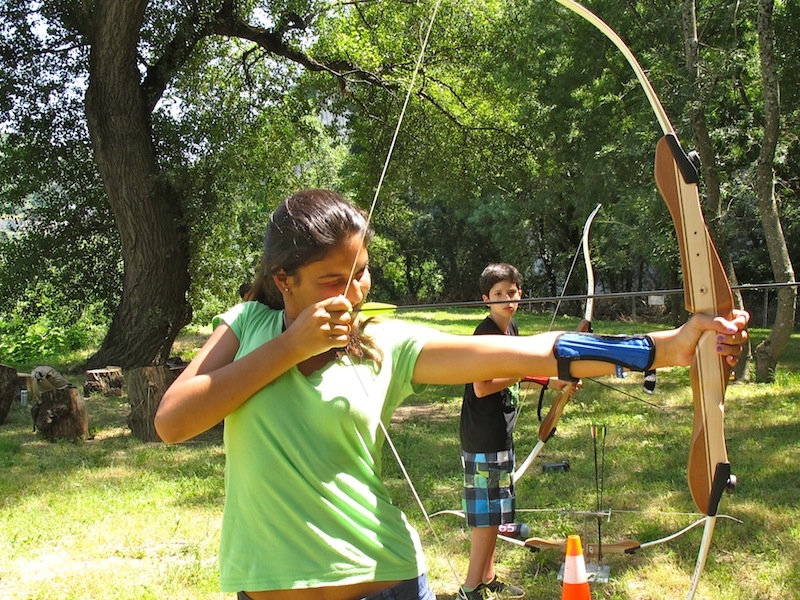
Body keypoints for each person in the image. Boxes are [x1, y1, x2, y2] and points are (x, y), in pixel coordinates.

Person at [154, 189, 749, 600]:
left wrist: (666, 347)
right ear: (284, 279)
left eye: (361, 272)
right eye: (333, 280)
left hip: (385, 580)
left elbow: (533, 353)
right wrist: (290, 347)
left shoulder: (384, 342)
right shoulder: (248, 327)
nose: (354, 293)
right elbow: (174, 421)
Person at [458, 263, 573, 600]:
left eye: (511, 292)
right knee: (486, 516)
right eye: (498, 294)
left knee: (495, 511)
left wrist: (551, 381)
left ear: (520, 293)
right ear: (486, 299)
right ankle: (469, 588)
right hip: (483, 436)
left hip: (499, 433)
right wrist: (525, 370)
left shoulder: (511, 329)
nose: (507, 299)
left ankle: (488, 576)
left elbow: (515, 374)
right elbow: (482, 386)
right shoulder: (485, 335)